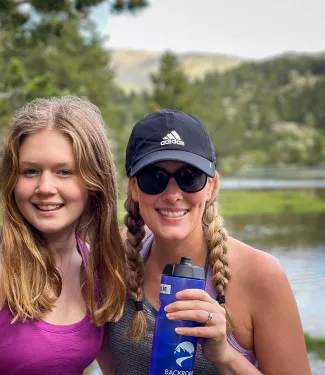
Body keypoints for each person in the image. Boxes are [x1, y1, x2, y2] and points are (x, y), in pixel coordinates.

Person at [98, 109, 312, 374]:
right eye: (155, 178)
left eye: (190, 177)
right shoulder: (112, 261)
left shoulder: (261, 275)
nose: (173, 195)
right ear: (133, 187)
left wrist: (225, 356)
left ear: (211, 186)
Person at [0, 96, 127, 375]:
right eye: (31, 171)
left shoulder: (94, 266)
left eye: (64, 172)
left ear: (94, 182)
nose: (45, 187)